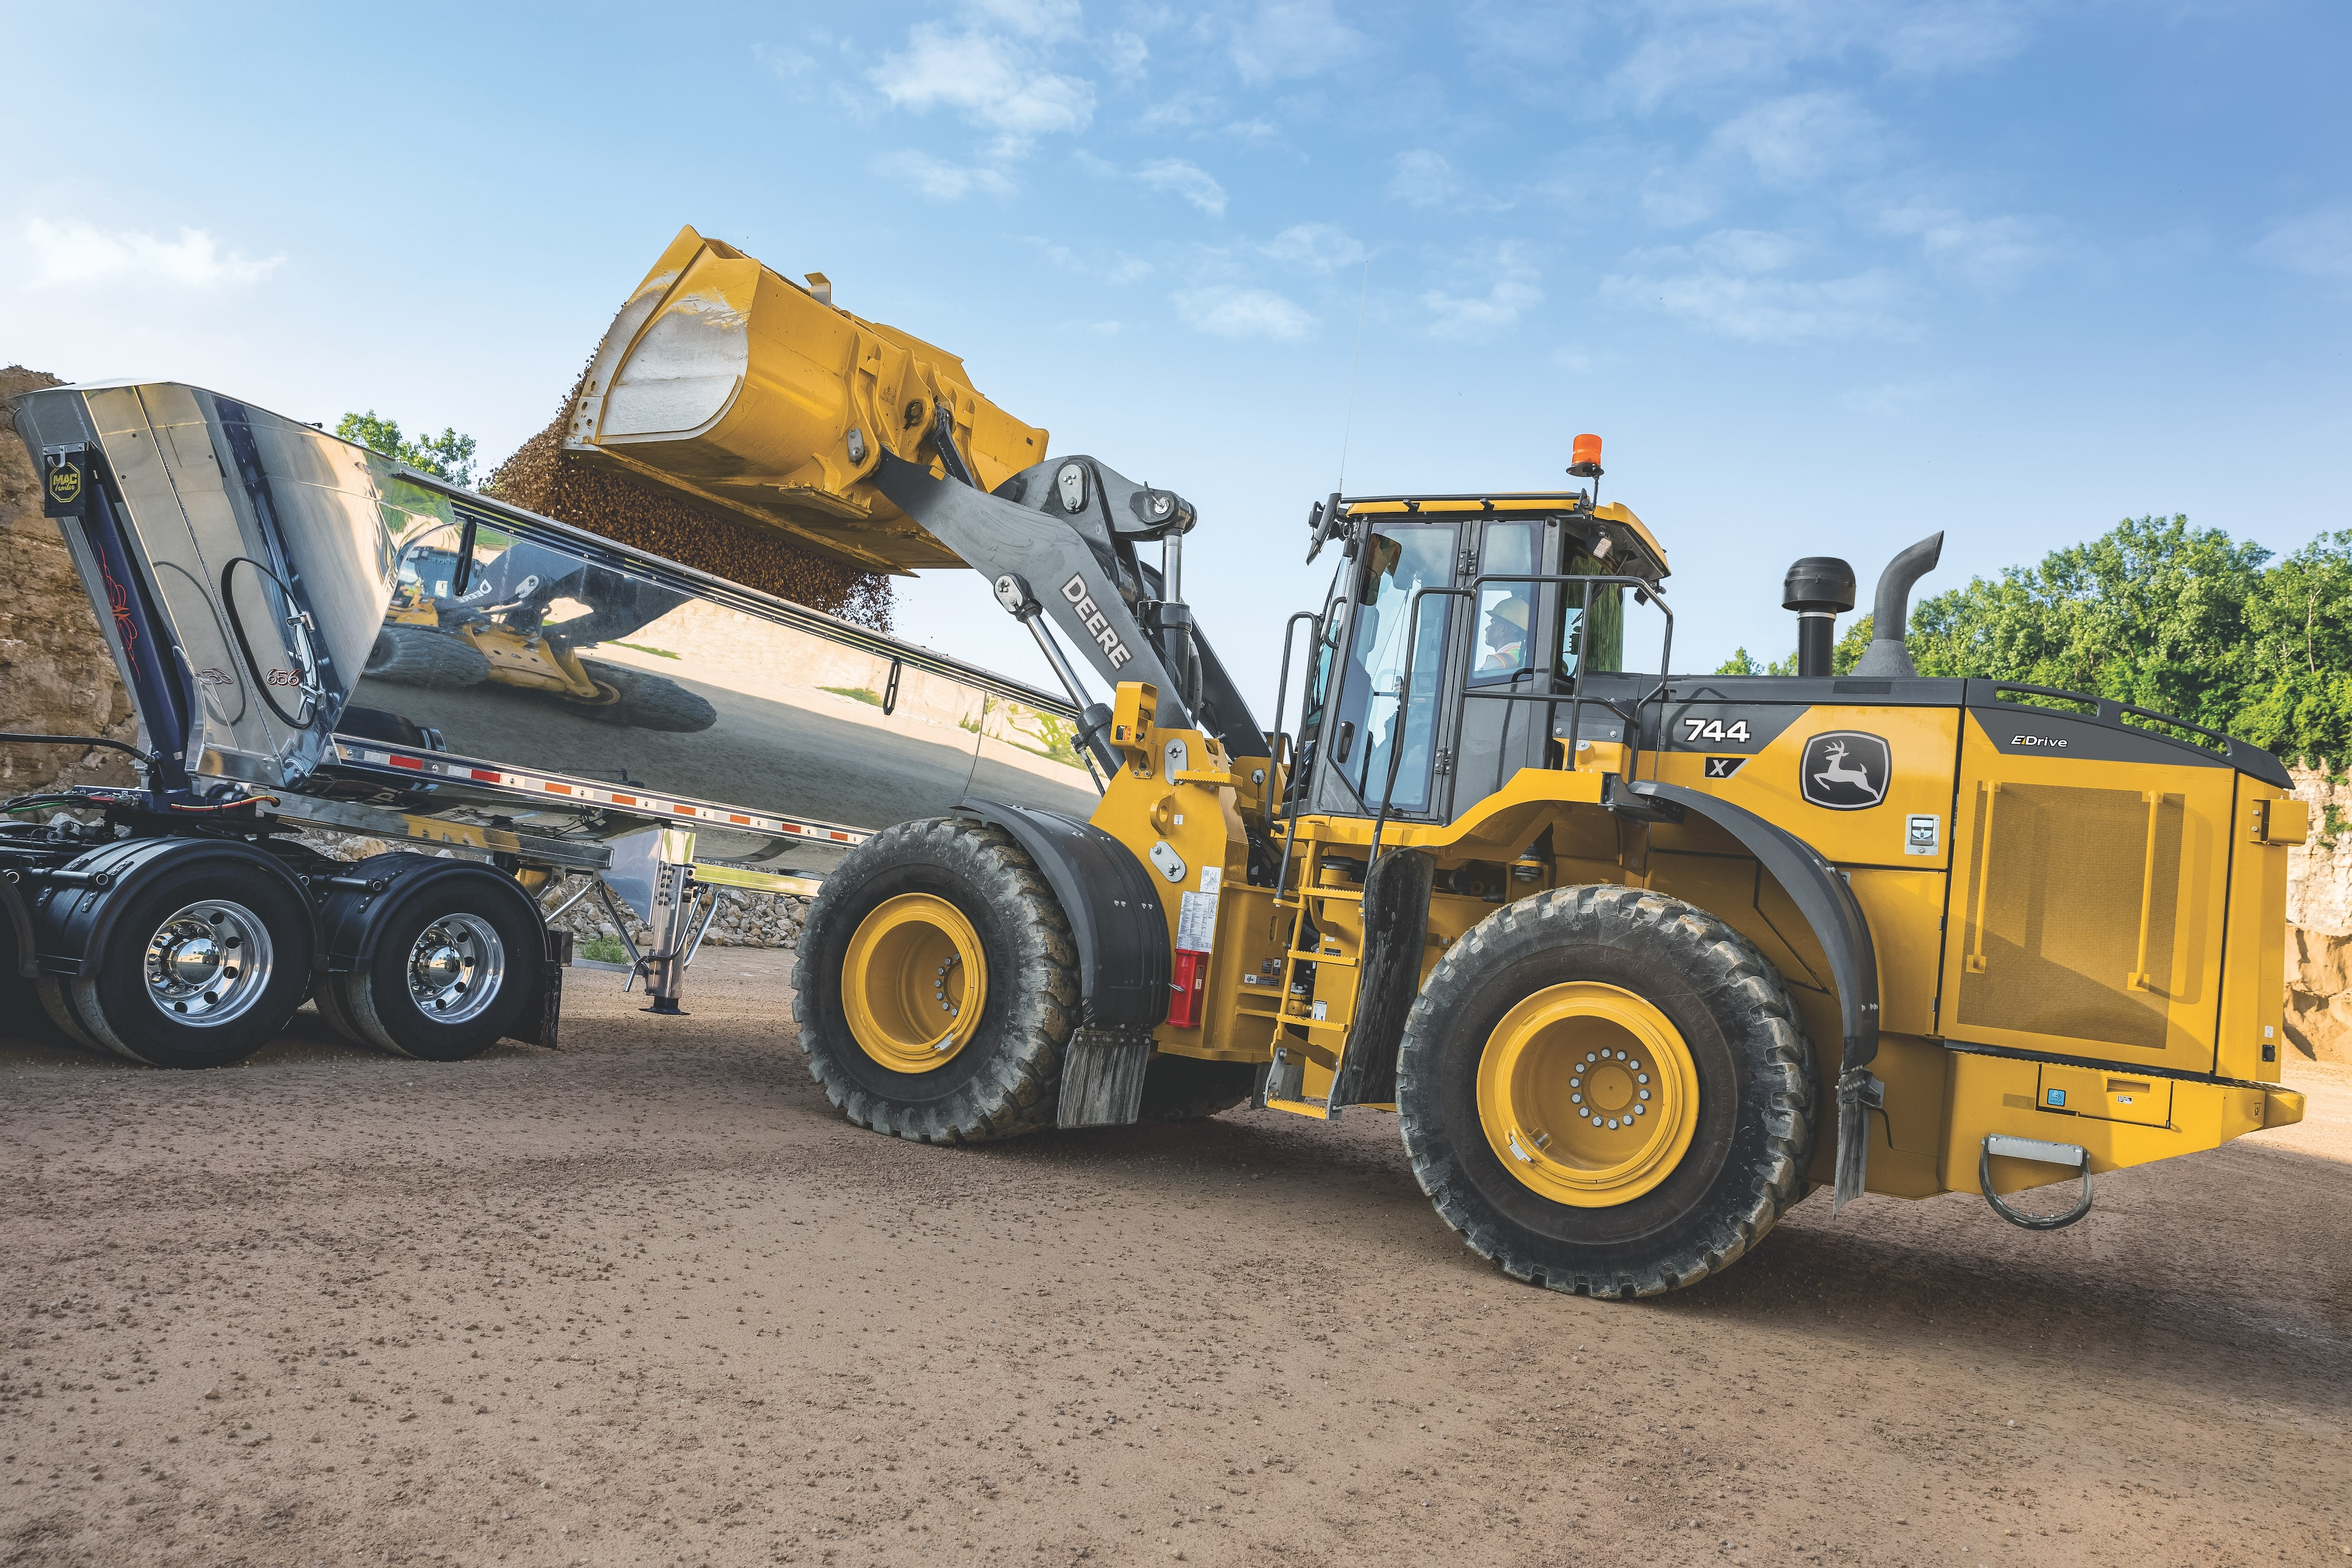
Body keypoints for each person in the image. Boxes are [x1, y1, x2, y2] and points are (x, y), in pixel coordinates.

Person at [1479, 594, 1529, 674]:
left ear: (1503, 629)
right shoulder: (1523, 659)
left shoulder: (1499, 662)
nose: (1487, 628)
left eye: (1492, 623)